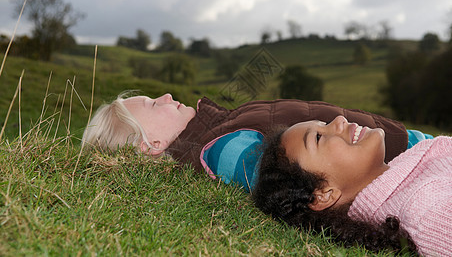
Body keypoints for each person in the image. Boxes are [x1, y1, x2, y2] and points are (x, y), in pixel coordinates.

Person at [82, 92, 415, 192]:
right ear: (151, 144)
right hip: (401, 156)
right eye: (155, 104)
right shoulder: (216, 149)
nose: (167, 95)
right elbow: (275, 178)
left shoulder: (216, 126)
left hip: (387, 140)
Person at [252, 115, 451, 255]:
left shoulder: (409, 169)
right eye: (318, 137)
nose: (339, 119)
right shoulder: (424, 213)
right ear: (324, 194)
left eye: (324, 122)